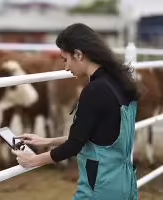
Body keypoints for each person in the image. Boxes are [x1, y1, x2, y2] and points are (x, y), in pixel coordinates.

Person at [11, 23, 140, 200]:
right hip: (125, 183)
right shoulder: (120, 83)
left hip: (100, 187)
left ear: (78, 55)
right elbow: (98, 137)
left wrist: (33, 161)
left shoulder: (94, 91)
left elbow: (74, 146)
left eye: (65, 59)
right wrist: (46, 141)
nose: (65, 67)